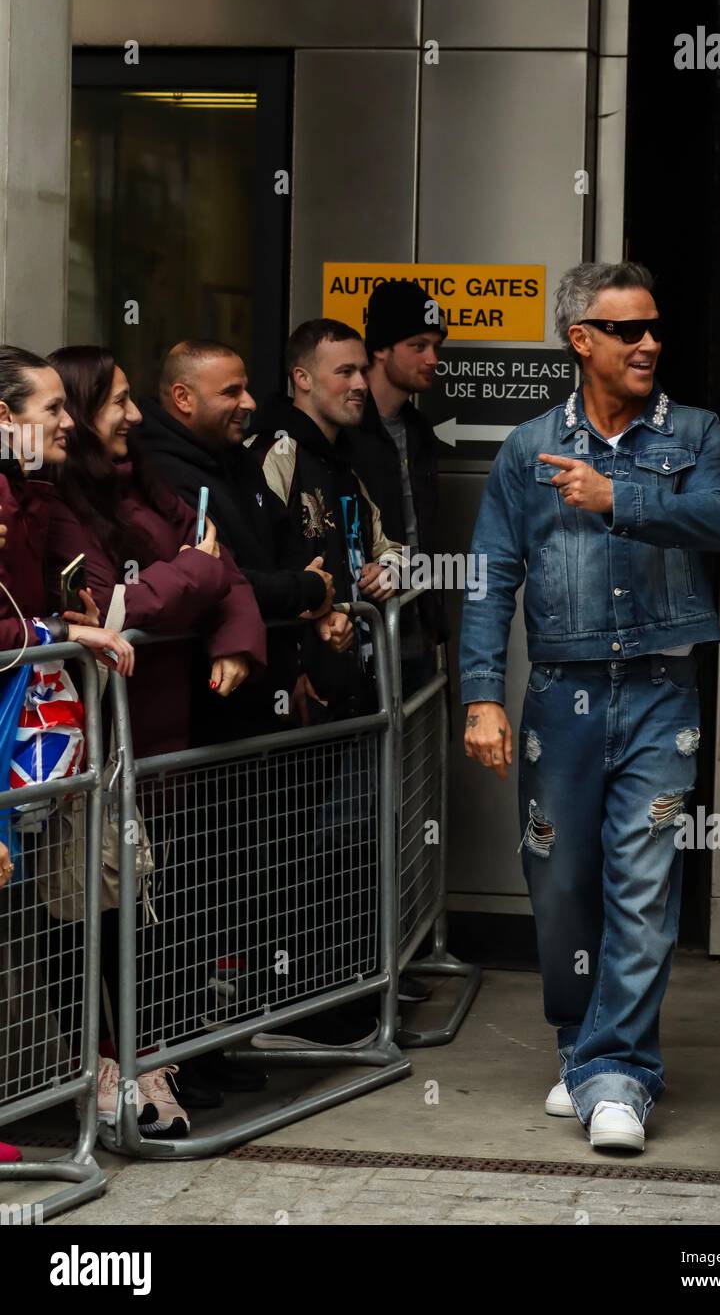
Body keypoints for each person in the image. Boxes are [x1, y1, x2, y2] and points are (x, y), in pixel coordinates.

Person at [460, 262, 720, 1152]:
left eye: (655, 327)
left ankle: (620, 1073)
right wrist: (480, 698)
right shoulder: (527, 449)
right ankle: (581, 1051)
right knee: (562, 881)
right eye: (628, 329)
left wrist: (617, 496)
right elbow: (488, 579)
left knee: (645, 880)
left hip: (663, 694)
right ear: (581, 340)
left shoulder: (693, 432)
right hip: (560, 699)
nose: (650, 342)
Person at [46, 345, 267, 1137]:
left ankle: (156, 1064)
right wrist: (196, 577)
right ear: (73, 414)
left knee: (164, 917)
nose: (134, 417)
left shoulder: (144, 476)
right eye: (118, 403)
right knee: (102, 917)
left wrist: (235, 638)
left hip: (169, 744)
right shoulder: (59, 500)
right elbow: (112, 610)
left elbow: (226, 568)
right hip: (104, 748)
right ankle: (116, 1075)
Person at [246, 319, 399, 1045]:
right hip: (295, 697)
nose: (359, 385)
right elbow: (256, 566)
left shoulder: (350, 460)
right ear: (302, 378)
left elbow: (385, 542)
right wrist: (301, 652)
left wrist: (387, 572)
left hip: (350, 687)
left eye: (361, 372)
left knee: (344, 848)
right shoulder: (275, 454)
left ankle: (338, 993)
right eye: (342, 372)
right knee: (288, 855)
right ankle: (290, 997)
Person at [0, 345, 133, 1165]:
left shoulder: (34, 496)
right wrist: (57, 632)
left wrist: (68, 610)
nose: (66, 421)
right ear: (4, 419)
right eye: (49, 408)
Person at [133, 338, 337, 740]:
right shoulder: (159, 473)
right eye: (231, 392)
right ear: (183, 398)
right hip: (206, 717)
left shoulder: (237, 457)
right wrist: (309, 590)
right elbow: (222, 581)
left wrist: (319, 604)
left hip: (265, 697)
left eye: (245, 388)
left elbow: (286, 540)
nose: (249, 403)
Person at [345, 279, 448, 695]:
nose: (432, 358)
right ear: (380, 349)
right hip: (361, 633)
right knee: (361, 758)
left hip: (417, 626)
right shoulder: (345, 431)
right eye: (418, 345)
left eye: (436, 346)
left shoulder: (420, 433)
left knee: (417, 758)